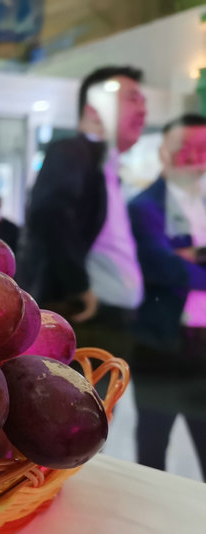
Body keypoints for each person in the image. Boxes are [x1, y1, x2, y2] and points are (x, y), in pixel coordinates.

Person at [16, 65, 148, 360]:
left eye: (143, 101)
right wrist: (77, 286)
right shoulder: (72, 151)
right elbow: (50, 211)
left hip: (109, 317)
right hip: (85, 317)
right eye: (132, 99)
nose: (143, 109)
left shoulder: (105, 166)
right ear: (94, 109)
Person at [128, 113, 206, 476]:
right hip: (161, 343)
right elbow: (163, 267)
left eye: (202, 147)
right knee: (153, 445)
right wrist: (182, 259)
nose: (194, 156)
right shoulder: (143, 208)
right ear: (163, 150)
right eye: (183, 146)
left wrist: (191, 255)